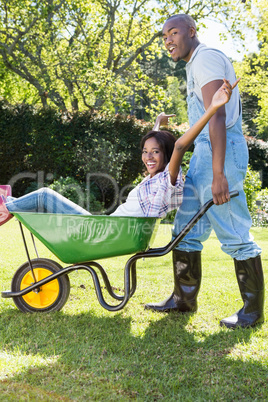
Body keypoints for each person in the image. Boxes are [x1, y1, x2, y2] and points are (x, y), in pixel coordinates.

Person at [145, 14, 265, 329]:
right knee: (185, 229)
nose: (168, 40)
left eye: (173, 32)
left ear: (191, 32)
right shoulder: (194, 64)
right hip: (204, 154)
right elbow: (205, 119)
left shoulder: (206, 58)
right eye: (163, 36)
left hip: (219, 155)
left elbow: (217, 114)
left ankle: (251, 312)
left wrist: (218, 173)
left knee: (234, 232)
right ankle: (183, 300)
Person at [0, 80, 235, 228]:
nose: (148, 157)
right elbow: (153, 149)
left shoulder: (168, 180)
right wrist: (156, 124)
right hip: (105, 227)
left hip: (103, 230)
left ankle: (5, 206)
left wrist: (213, 107)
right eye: (145, 152)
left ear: (166, 156)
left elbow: (180, 146)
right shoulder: (153, 179)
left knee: (44, 195)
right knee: (44, 197)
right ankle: (7, 204)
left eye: (155, 153)